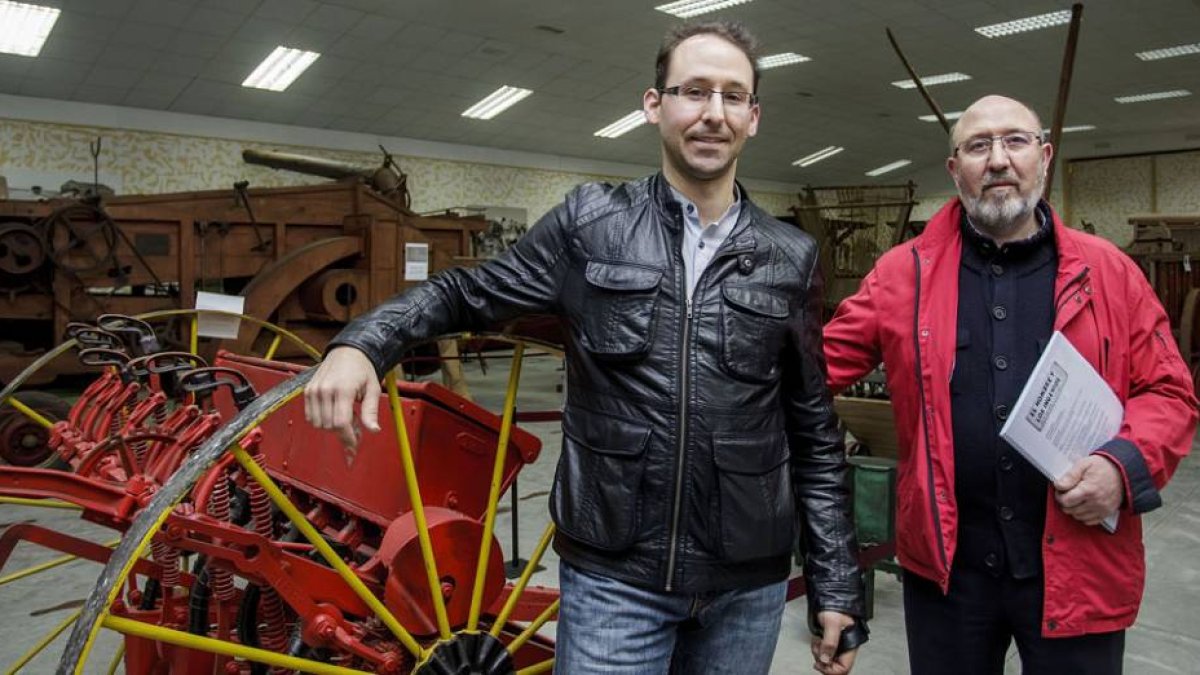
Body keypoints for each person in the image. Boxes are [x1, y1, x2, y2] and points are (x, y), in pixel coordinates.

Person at [304, 19, 867, 675]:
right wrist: (361, 344)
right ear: (654, 105)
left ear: (754, 116)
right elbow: (467, 291)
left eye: (733, 96)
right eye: (693, 91)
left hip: (747, 586)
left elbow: (813, 429)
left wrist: (835, 585)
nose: (713, 112)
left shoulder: (789, 256)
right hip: (614, 581)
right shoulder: (592, 224)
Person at [823, 94, 1198, 674]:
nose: (997, 159)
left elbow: (1170, 394)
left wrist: (1123, 467)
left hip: (1080, 568)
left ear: (1044, 158)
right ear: (955, 170)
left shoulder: (1110, 273)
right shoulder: (904, 274)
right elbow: (812, 370)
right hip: (948, 573)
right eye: (978, 146)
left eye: (1015, 141)